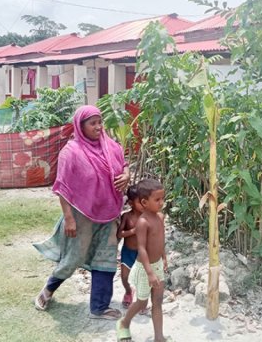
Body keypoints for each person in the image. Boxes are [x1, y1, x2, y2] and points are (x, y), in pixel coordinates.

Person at [33, 105, 130, 320]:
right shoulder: (71, 152)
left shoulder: (111, 146)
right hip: (81, 215)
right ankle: (48, 290)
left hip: (110, 212)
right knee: (73, 257)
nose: (98, 127)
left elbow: (124, 165)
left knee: (105, 259)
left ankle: (99, 307)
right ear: (80, 126)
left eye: (99, 122)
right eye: (92, 123)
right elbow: (62, 187)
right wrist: (69, 219)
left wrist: (126, 175)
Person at [116, 178, 170, 342]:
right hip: (144, 268)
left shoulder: (160, 217)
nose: (161, 203)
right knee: (141, 302)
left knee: (158, 301)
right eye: (157, 199)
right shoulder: (142, 222)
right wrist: (149, 272)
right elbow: (142, 248)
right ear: (144, 202)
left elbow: (161, 240)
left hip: (157, 266)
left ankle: (159, 338)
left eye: (163, 199)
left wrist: (164, 257)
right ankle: (124, 323)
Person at [117, 185, 143, 308]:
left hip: (142, 253)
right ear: (131, 203)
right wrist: (132, 231)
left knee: (142, 278)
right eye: (140, 202)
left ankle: (142, 300)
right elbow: (119, 233)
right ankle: (128, 291)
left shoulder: (147, 217)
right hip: (128, 252)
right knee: (124, 277)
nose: (144, 204)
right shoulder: (126, 216)